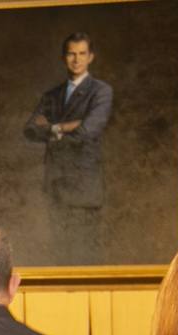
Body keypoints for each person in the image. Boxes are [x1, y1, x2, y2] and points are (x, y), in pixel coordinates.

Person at [24, 32, 113, 265]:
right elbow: (31, 130)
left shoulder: (101, 91)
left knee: (84, 253)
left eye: (82, 54)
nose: (77, 60)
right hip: (56, 182)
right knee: (59, 250)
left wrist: (52, 128)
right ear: (64, 58)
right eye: (71, 54)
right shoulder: (52, 95)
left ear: (91, 57)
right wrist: (66, 126)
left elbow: (89, 130)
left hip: (83, 185)